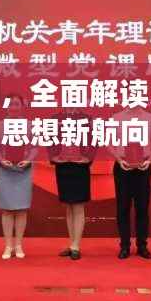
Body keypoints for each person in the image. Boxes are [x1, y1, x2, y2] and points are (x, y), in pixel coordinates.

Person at [108, 106, 151, 260]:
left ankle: (142, 246)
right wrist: (118, 159)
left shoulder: (150, 118)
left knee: (142, 207)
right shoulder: (116, 117)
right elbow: (108, 142)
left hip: (143, 166)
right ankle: (124, 246)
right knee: (123, 207)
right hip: (122, 166)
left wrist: (150, 160)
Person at [0, 94, 37, 260]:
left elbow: (34, 147)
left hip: (24, 171)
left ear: (22, 107)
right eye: (10, 104)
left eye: (17, 104)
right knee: (7, 210)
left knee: (21, 210)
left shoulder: (30, 125)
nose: (13, 107)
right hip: (5, 171)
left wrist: (28, 160)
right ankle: (8, 245)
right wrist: (1, 160)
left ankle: (18, 245)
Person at [50, 108, 96, 261]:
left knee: (78, 206)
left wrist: (88, 157)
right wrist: (54, 157)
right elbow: (49, 139)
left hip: (79, 167)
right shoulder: (56, 118)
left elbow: (96, 138)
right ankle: (72, 244)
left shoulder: (87, 118)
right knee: (68, 207)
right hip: (63, 167)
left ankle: (76, 245)